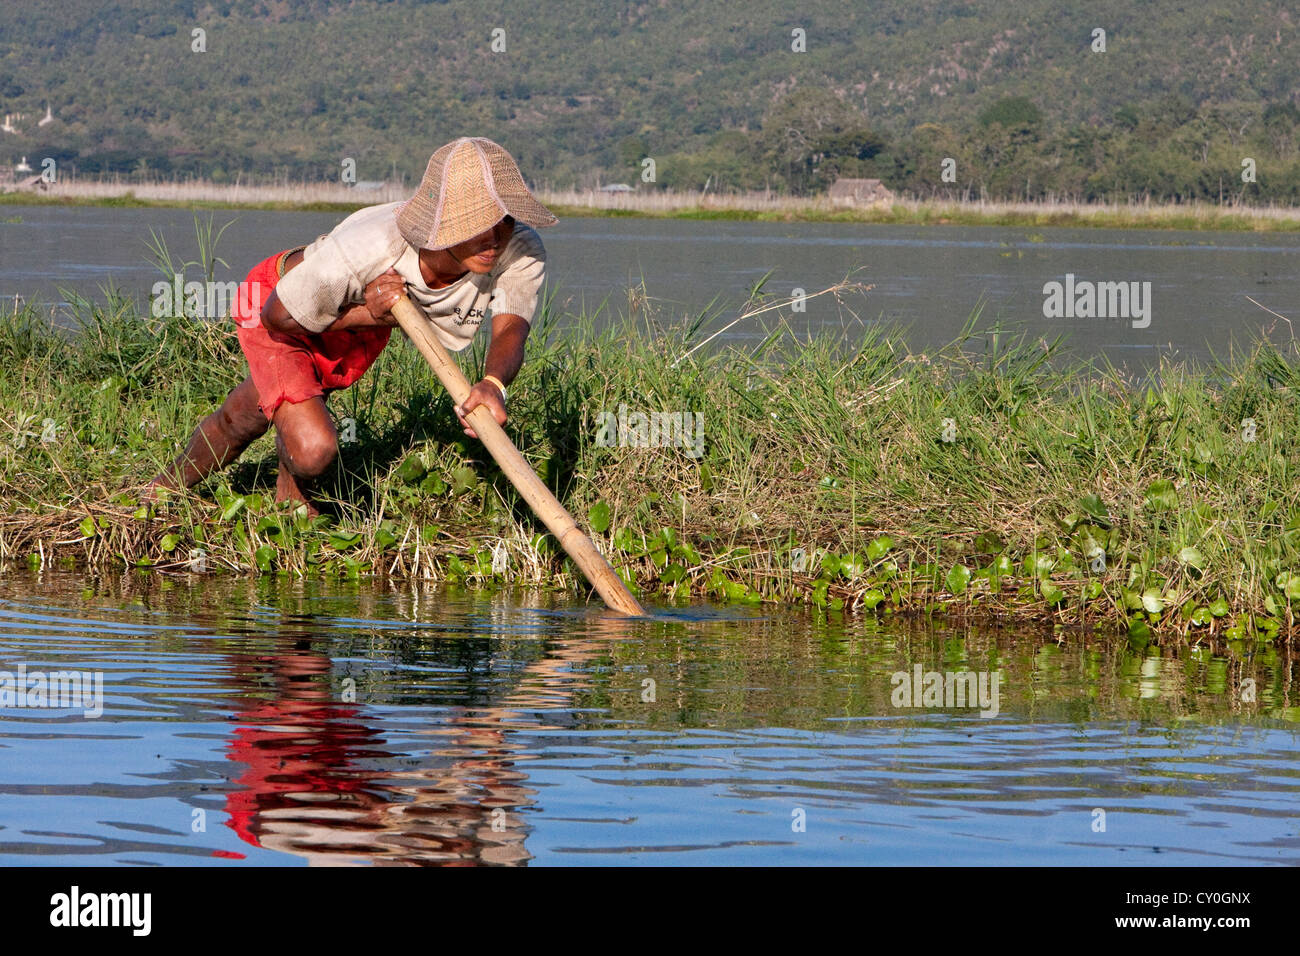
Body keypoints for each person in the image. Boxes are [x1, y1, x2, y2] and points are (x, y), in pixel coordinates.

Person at [148, 136, 556, 513]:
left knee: (251, 413)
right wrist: (369, 313)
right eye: (476, 225)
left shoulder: (518, 248)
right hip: (280, 304)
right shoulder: (375, 244)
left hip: (351, 327)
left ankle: (279, 509)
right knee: (313, 448)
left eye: (502, 220)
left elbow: (510, 327)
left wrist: (493, 384)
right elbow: (277, 314)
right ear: (443, 222)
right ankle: (162, 493)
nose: (493, 239)